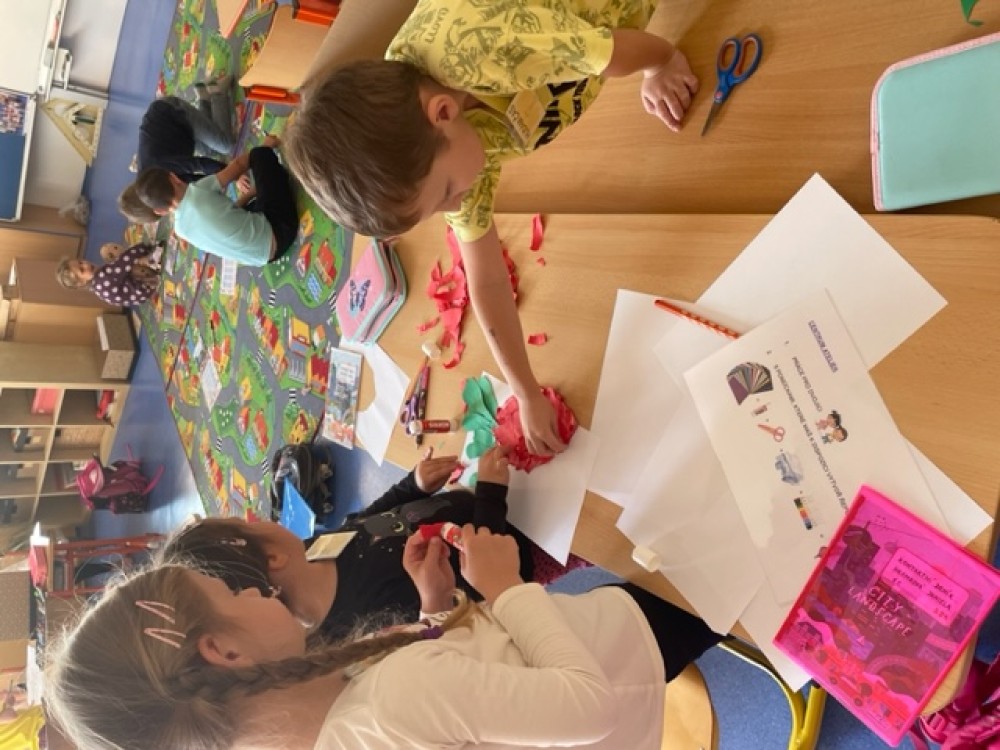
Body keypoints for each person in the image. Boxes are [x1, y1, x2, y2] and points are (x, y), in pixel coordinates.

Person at [284, 0, 699, 458]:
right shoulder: (424, 138)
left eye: (446, 193)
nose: (456, 206)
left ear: (443, 112)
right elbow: (485, 279)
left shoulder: (477, 47)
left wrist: (661, 63)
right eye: (440, 207)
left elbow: (612, 50)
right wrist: (525, 392)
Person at [46, 521, 722, 750]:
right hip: (622, 660)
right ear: (222, 651)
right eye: (230, 593)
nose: (252, 589)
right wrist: (506, 588)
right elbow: (590, 706)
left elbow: (451, 718)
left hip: (588, 681)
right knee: (727, 571)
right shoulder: (395, 698)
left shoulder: (321, 716)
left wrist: (436, 609)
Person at [162, 446, 582, 641]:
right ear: (273, 557)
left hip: (492, 504)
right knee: (598, 525)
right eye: (249, 523)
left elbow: (362, 522)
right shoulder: (371, 620)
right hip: (526, 546)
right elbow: (483, 590)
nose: (260, 519)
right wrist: (491, 497)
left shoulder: (305, 554)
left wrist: (410, 486)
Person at [130, 135, 299, 267]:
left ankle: (268, 189)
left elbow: (229, 215)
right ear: (174, 177)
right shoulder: (198, 189)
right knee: (259, 155)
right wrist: (265, 146)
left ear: (160, 211)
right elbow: (239, 165)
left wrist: (250, 194)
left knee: (252, 204)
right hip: (282, 229)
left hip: (264, 258)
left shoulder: (180, 230)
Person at [135, 79, 236, 181]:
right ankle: (204, 99)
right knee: (209, 151)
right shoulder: (159, 183)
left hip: (171, 112)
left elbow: (198, 164)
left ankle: (217, 93)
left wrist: (231, 173)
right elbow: (191, 181)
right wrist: (218, 182)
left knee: (225, 145)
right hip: (178, 135)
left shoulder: (159, 169)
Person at [55, 241, 164, 306]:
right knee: (133, 263)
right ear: (82, 282)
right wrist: (144, 247)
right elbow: (126, 260)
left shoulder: (96, 288)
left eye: (81, 262)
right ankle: (154, 266)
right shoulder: (103, 277)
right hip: (145, 287)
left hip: (142, 296)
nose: (86, 264)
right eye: (82, 270)